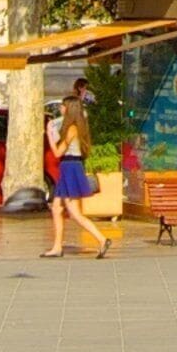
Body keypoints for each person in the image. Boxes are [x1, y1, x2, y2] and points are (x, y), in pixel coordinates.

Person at [45, 79, 115, 260]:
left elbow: (57, 152)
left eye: (63, 106)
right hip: (69, 167)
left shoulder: (72, 129)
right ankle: (57, 246)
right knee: (56, 208)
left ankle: (102, 239)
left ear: (69, 109)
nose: (61, 109)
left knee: (74, 212)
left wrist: (50, 135)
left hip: (70, 167)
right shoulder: (75, 127)